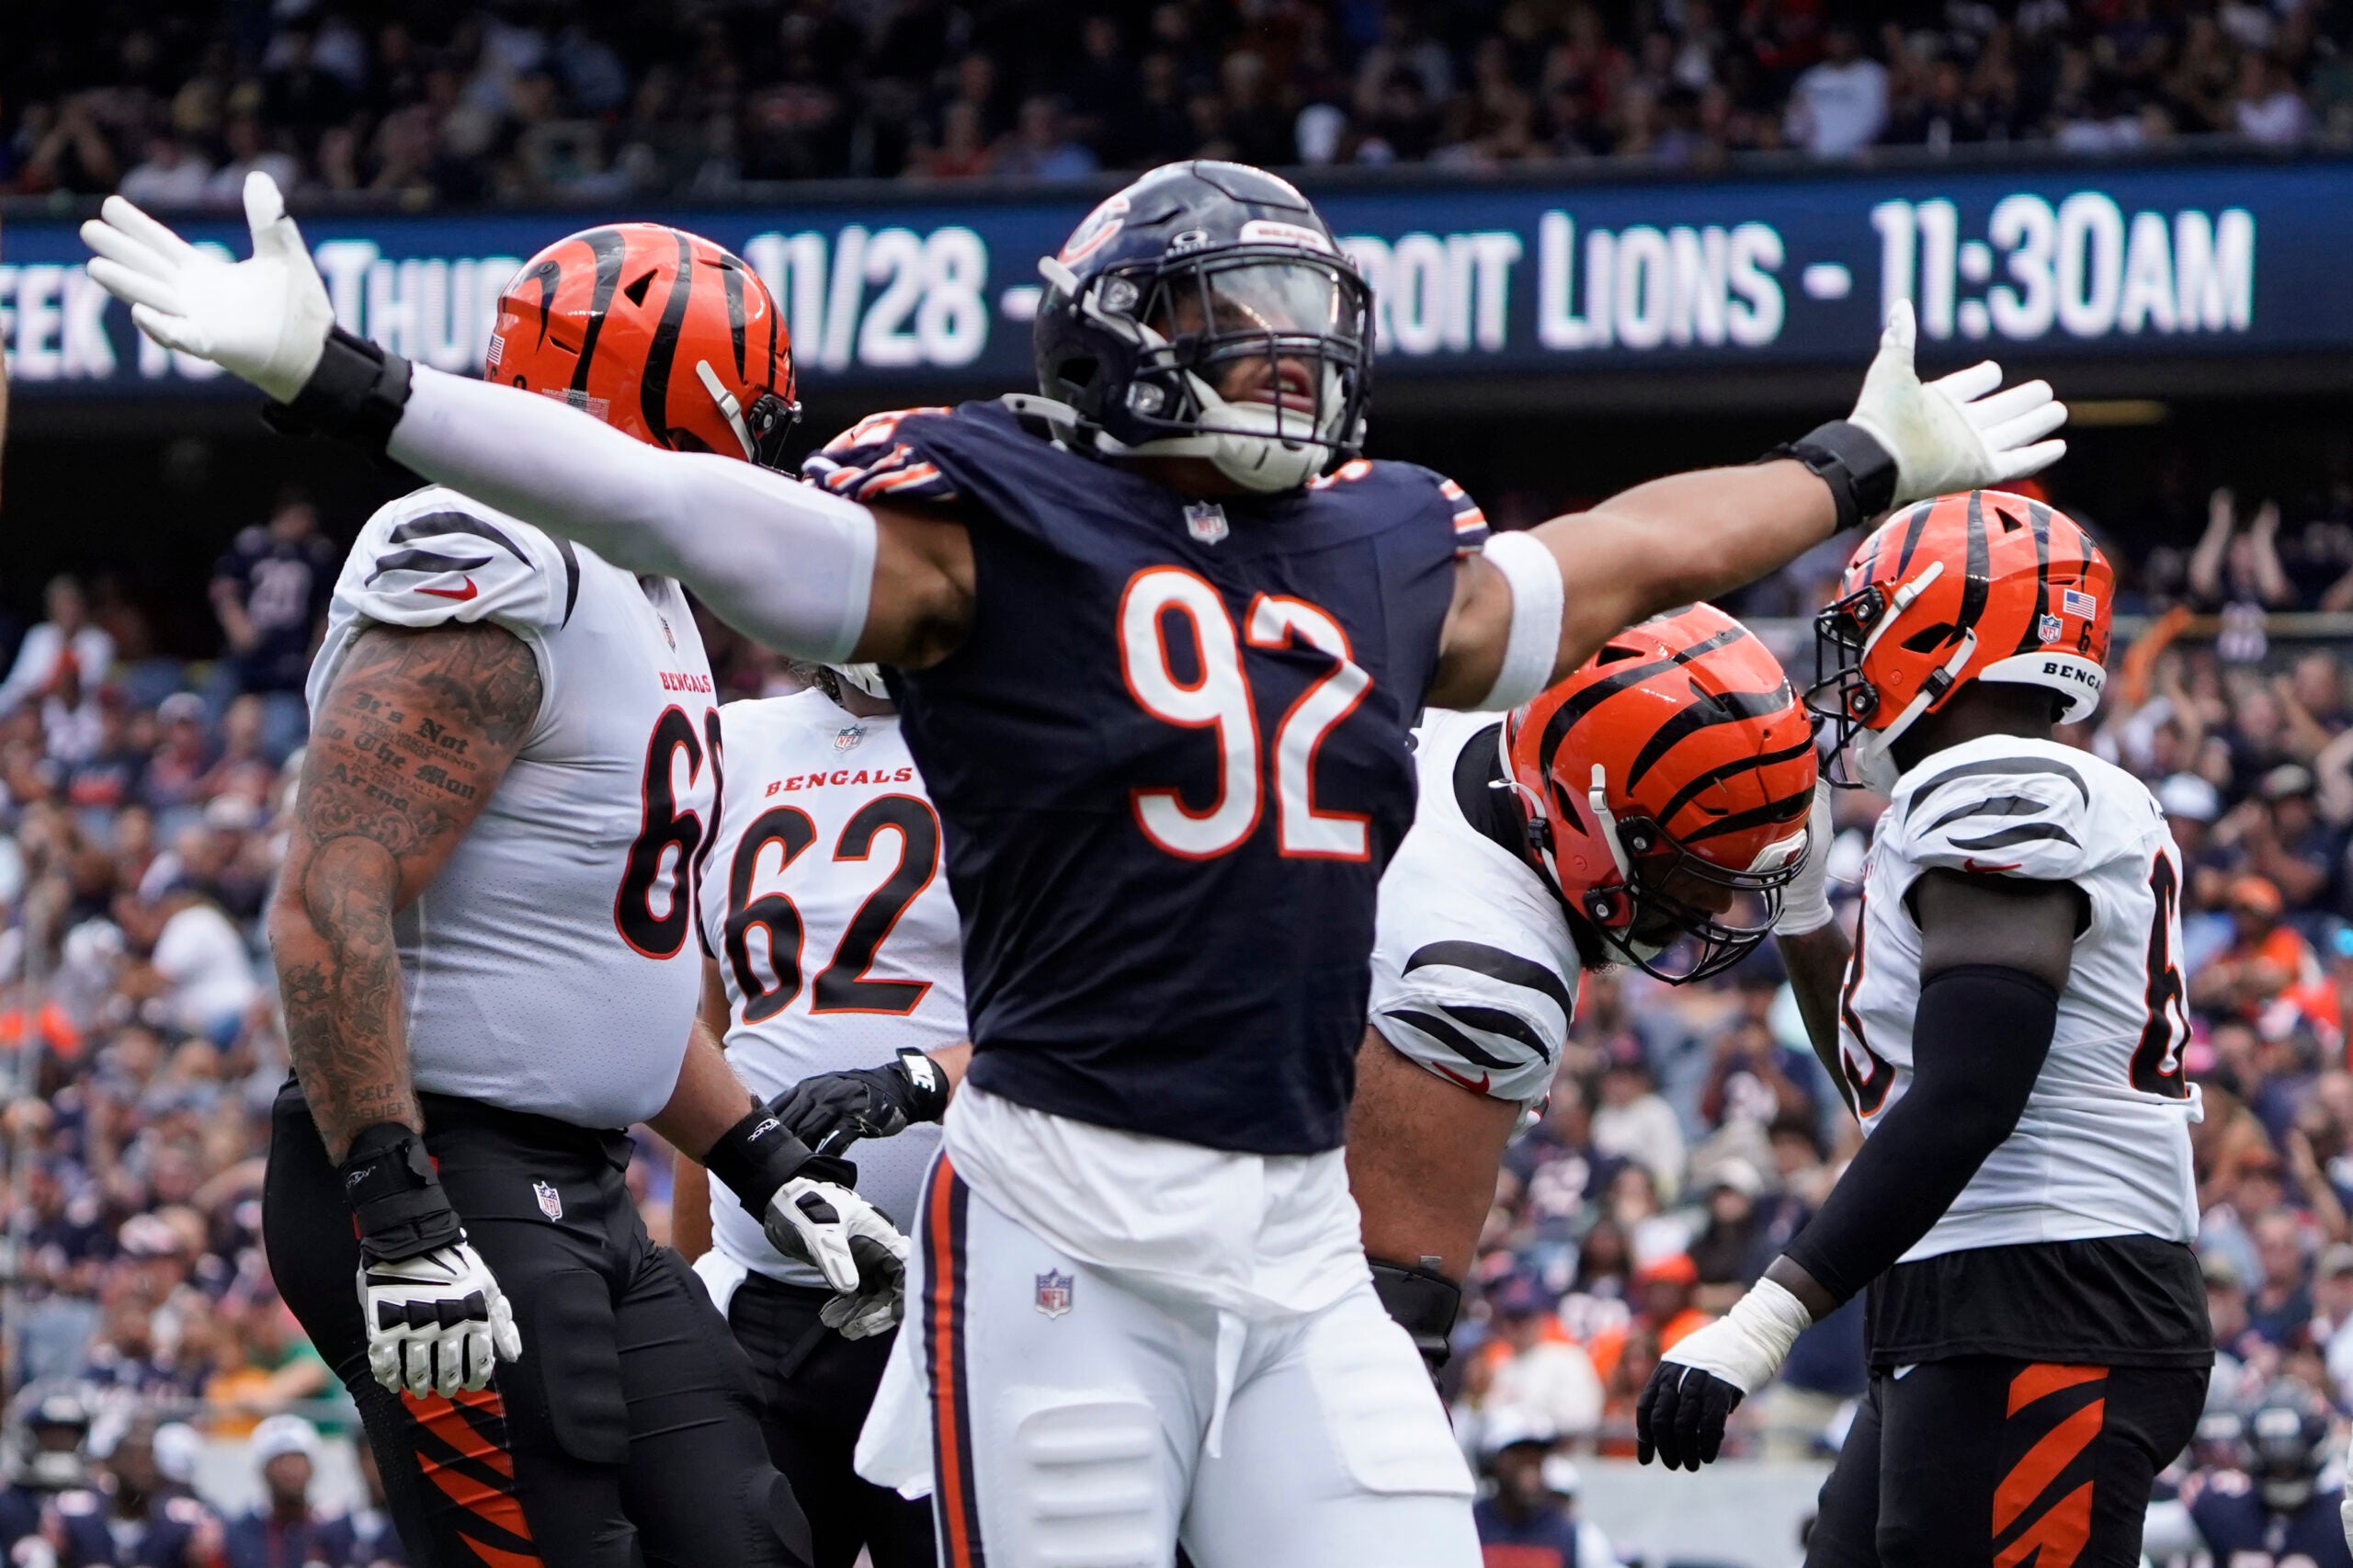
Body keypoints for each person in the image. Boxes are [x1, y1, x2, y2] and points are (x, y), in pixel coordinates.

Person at [85, 161, 2068, 1566]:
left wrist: (1854, 461)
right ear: (1126, 341)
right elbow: (662, 491)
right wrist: (345, 383)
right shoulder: (984, 526)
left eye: (1304, 315)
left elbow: (1625, 550)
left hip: (1288, 1233)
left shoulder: (1375, 545)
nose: (1289, 353)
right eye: (1240, 318)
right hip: (1053, 1216)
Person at [247, 224, 891, 1568]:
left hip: (578, 1183)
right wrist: (398, 1204)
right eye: (751, 392)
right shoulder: (492, 549)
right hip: (439, 1167)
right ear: (679, 383)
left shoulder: (639, 581)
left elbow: (603, 969)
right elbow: (329, 893)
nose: (769, 430)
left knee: (750, 1533)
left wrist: (762, 1162)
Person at [1638, 493, 2212, 1568]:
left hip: (2043, 1292)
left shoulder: (2001, 780)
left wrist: (1767, 1317)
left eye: (1865, 628)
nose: (1851, 664)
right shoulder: (1996, 791)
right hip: (1984, 1291)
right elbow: (1895, 1085)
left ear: (1944, 634)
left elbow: (1967, 1096)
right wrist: (1805, 911)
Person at [1346, 600, 1820, 1370]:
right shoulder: (1490, 983)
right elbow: (1388, 1311)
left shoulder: (1479, 697)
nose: (1708, 909)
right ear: (1590, 821)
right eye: (1690, 875)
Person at [675, 659, 966, 1568]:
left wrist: (914, 1080)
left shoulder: (1026, 725)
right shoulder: (729, 742)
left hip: (962, 1304)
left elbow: (1075, 1016)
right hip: (763, 1304)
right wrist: (695, 1276)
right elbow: (708, 1049)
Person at [2146, 1382, 2351, 1567]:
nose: (2282, 1473)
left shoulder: (2341, 1511)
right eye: (2276, 1466)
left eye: (2288, 1466)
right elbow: (2142, 1534)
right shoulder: (2222, 1506)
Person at [210, 484, 338, 760]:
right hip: (248, 652)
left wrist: (317, 648)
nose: (306, 526)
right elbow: (223, 589)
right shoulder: (251, 544)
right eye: (301, 517)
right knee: (214, 717)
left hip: (289, 657)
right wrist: (238, 625)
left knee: (281, 732)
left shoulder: (316, 553)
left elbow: (328, 608)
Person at [1471, 1410, 1623, 1568]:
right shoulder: (1471, 1525)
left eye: (1537, 1455)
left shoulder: (1572, 1534)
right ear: (1492, 1461)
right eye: (1519, 1454)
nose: (1530, 1463)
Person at [222, 1415, 357, 1568]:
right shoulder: (239, 1531)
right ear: (262, 1469)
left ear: (312, 1467)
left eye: (297, 1458)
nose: (290, 1469)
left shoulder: (336, 1528)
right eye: (280, 1460)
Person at [0, 576, 114, 722]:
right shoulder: (39, 635)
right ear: (51, 609)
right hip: (33, 709)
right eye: (60, 605)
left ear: (81, 607)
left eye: (70, 604)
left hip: (81, 713)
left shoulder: (99, 641)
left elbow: (88, 685)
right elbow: (20, 681)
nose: (66, 611)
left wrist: (48, 687)